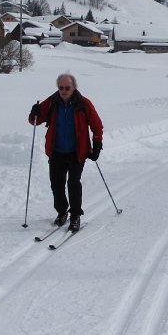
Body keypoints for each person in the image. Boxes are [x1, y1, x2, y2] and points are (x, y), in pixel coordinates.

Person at [28, 73, 103, 232]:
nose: (63, 90)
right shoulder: (52, 102)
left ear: (74, 87)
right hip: (56, 151)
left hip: (77, 152)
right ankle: (62, 212)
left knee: (73, 183)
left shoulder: (83, 103)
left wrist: (97, 145)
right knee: (56, 184)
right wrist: (34, 113)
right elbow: (35, 121)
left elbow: (97, 125)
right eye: (61, 87)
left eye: (67, 88)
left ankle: (75, 215)